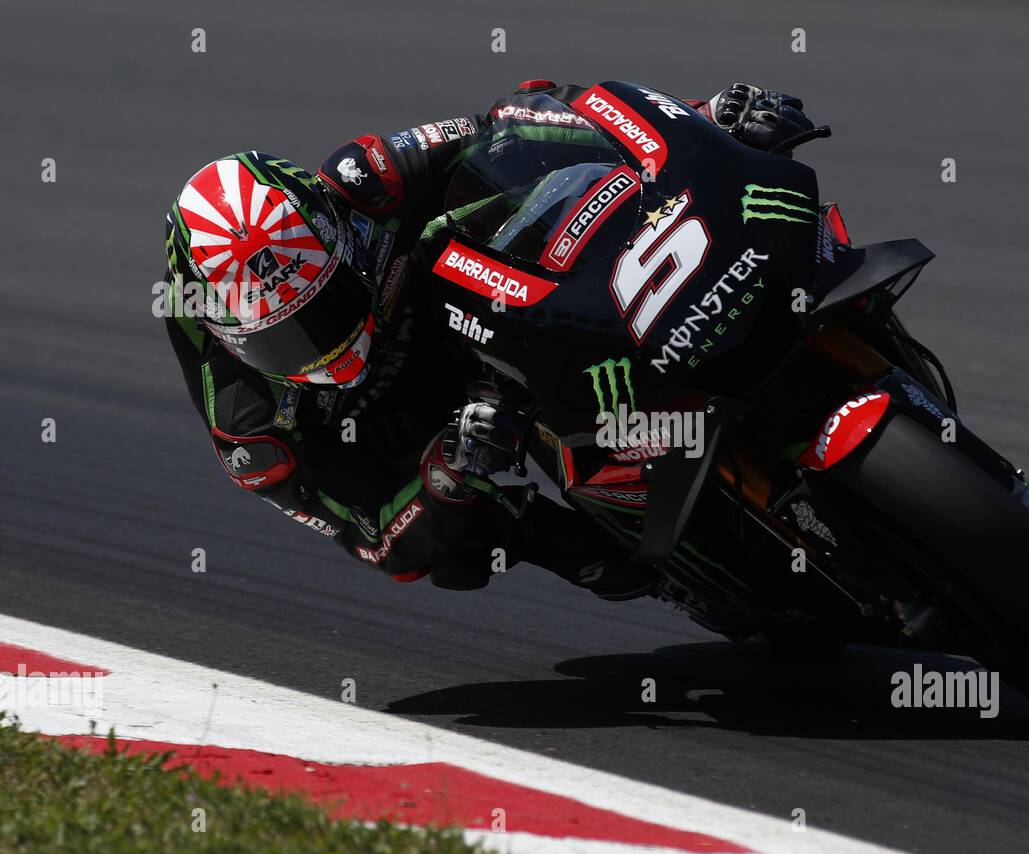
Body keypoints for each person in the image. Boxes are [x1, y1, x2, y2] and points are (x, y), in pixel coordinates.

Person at [162, 81, 813, 595]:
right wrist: (446, 473)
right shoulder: (247, 424)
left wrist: (701, 117)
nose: (321, 342)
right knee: (466, 553)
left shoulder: (365, 178)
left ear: (338, 235)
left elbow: (529, 120)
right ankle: (664, 561)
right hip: (402, 424)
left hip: (474, 305)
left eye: (326, 304)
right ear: (228, 332)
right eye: (285, 337)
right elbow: (369, 541)